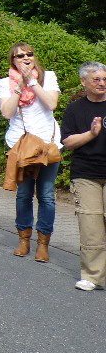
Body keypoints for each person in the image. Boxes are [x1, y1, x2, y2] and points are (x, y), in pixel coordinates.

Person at [0, 42, 61, 262]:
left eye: (29, 54)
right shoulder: (5, 82)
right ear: (13, 61)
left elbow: (51, 103)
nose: (25, 58)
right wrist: (19, 85)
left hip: (47, 145)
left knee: (46, 195)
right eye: (19, 56)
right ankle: (24, 239)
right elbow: (7, 112)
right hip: (20, 146)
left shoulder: (48, 77)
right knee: (24, 194)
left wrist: (32, 82)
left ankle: (43, 244)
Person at [61, 61, 106, 291]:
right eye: (96, 79)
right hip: (86, 174)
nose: (102, 83)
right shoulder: (75, 109)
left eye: (104, 79)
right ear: (84, 82)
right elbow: (67, 143)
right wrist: (91, 133)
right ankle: (92, 276)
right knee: (91, 227)